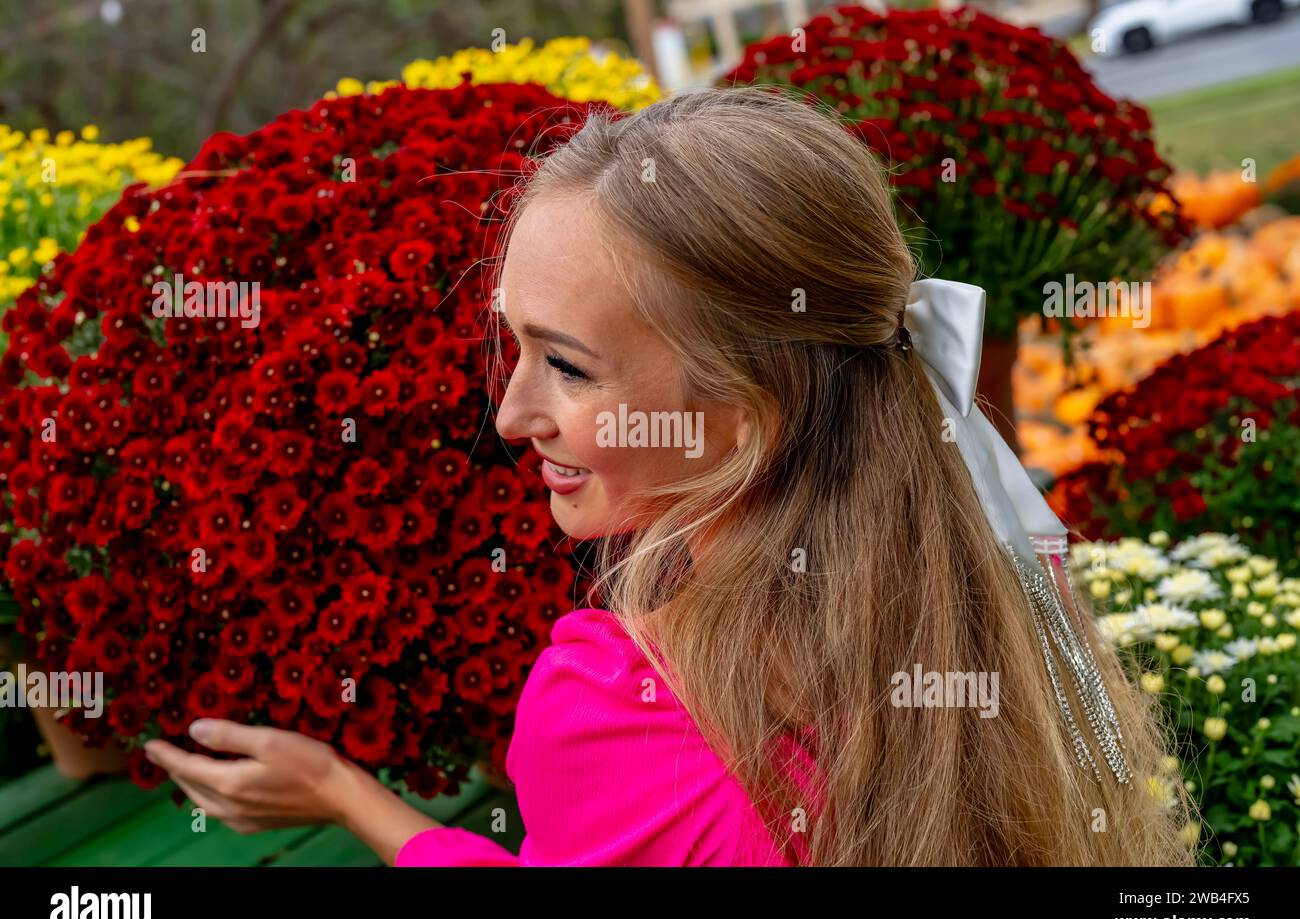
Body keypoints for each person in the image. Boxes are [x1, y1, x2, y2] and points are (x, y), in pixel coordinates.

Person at [143, 85, 1198, 866]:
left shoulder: (613, 703)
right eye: (509, 345)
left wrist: (341, 791)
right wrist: (342, 788)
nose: (511, 413)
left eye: (565, 363)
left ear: (743, 408)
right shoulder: (996, 596)